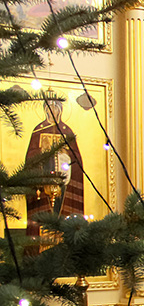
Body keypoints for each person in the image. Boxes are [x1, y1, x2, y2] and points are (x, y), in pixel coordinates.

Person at [23, 99, 84, 239]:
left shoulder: (66, 131)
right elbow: (31, 157)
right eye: (49, 107)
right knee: (44, 211)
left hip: (62, 181)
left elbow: (77, 159)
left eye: (55, 108)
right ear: (45, 110)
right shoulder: (38, 130)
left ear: (60, 111)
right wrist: (42, 153)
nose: (53, 111)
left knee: (60, 209)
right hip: (44, 180)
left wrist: (66, 154)